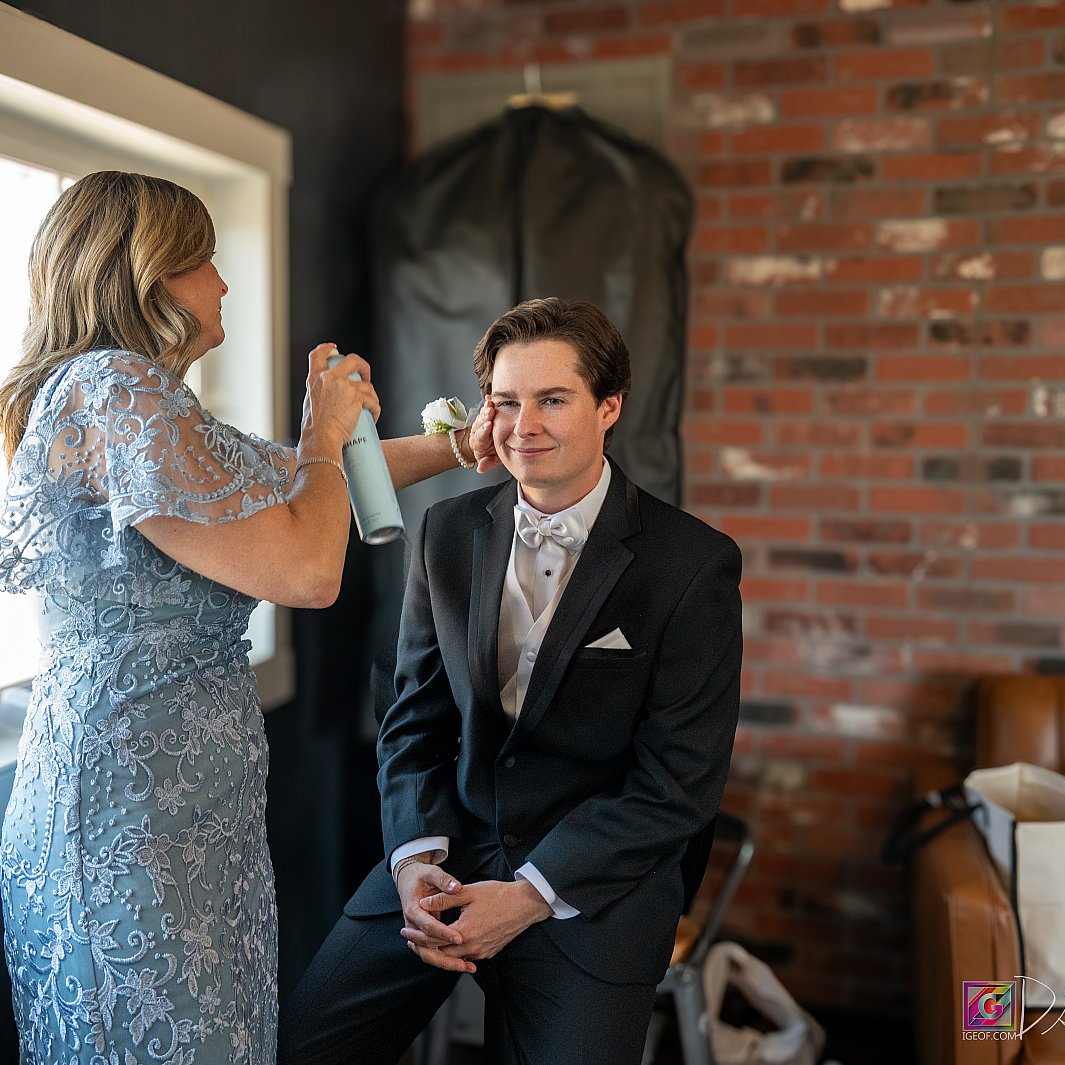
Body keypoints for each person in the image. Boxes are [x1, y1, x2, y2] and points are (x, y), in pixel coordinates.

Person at [0, 171, 484, 1065]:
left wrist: (467, 444)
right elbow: (307, 568)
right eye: (204, 259)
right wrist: (326, 428)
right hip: (125, 818)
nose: (223, 281)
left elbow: (293, 480)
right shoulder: (112, 387)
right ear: (150, 276)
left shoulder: (152, 404)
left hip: (196, 818)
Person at [278, 297, 743, 1065]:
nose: (523, 426)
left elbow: (678, 785)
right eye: (506, 401)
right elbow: (413, 722)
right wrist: (415, 860)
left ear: (610, 405)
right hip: (449, 851)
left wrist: (530, 895)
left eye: (552, 400)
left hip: (591, 890)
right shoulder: (446, 532)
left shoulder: (692, 565)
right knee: (301, 1047)